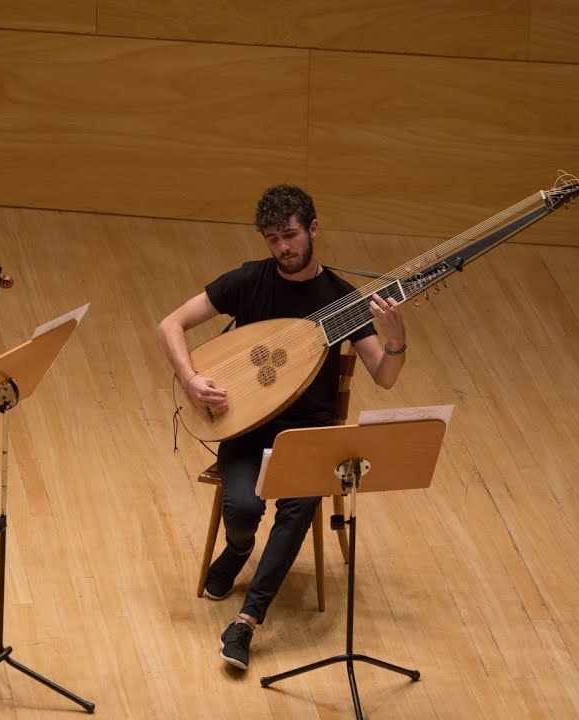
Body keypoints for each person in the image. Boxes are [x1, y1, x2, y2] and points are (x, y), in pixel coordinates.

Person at [156, 184, 410, 671]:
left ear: (313, 229)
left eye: (289, 235)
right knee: (244, 507)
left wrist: (395, 342)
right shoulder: (249, 281)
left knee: (297, 508)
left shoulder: (341, 300)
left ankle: (247, 622)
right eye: (272, 239)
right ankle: (239, 546)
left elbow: (385, 376)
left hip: (307, 435)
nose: (282, 248)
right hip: (246, 425)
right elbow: (170, 324)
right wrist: (190, 380)